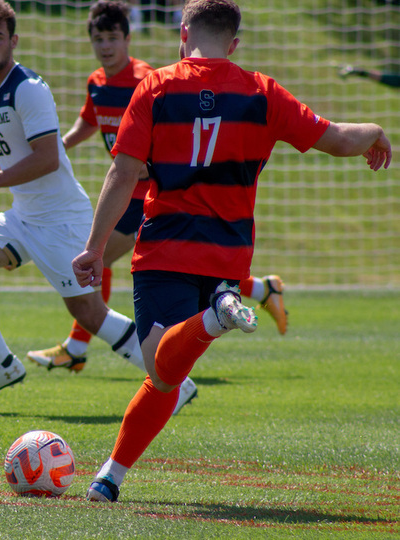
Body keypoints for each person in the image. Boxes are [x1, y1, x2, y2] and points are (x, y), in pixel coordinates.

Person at [71, 0, 390, 502]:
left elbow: (123, 172)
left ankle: (217, 319)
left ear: (183, 33)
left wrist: (93, 248)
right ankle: (110, 477)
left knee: (159, 367)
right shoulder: (263, 93)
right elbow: (334, 139)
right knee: (166, 377)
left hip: (166, 247)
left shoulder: (153, 87)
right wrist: (373, 131)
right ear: (234, 42)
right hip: (228, 254)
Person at [27, 0, 287, 390]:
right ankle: (261, 288)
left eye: (112, 38)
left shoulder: (147, 80)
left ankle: (78, 346)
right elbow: (89, 121)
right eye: (98, 39)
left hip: (151, 195)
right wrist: (58, 148)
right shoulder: (97, 82)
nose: (105, 46)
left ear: (127, 39)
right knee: (110, 261)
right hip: (128, 194)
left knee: (96, 260)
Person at [0, 0, 145, 405]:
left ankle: (172, 381)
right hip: (22, 217)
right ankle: (2, 365)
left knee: (89, 315)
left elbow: (48, 159)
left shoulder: (27, 89)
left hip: (62, 221)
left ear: (13, 41)